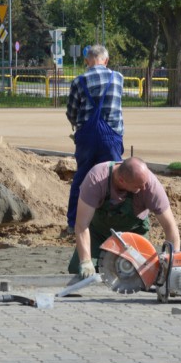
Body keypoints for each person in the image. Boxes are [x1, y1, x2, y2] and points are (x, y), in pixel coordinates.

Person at [68, 157, 181, 281]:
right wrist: (85, 261)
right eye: (138, 186)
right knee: (77, 269)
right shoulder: (96, 179)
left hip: (134, 233)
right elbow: (81, 225)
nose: (144, 188)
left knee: (148, 274)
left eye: (145, 183)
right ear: (121, 180)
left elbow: (170, 227)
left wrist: (173, 262)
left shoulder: (151, 185)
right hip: (99, 232)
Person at [65, 44, 124, 230]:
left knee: (82, 179)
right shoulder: (118, 78)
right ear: (106, 61)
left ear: (86, 61)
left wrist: (77, 125)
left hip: (87, 138)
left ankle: (74, 224)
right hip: (112, 136)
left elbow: (71, 112)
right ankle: (116, 222)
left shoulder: (78, 81)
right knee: (116, 179)